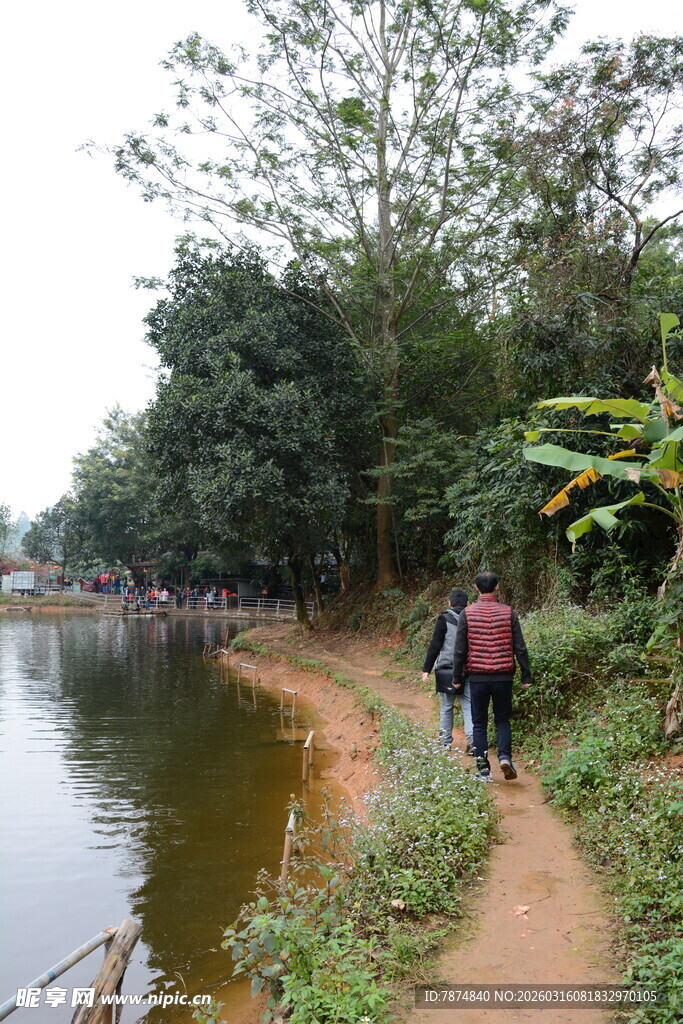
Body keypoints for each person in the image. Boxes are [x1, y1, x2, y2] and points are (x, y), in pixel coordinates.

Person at [451, 570, 532, 781]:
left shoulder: (466, 614)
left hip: (477, 678)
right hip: (503, 676)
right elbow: (520, 647)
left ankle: (483, 769)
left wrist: (457, 678)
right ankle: (505, 757)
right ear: (496, 587)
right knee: (503, 720)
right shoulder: (508, 613)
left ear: (476, 589)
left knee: (479, 723)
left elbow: (460, 650)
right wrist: (526, 676)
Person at [422, 589, 472, 752]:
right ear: (467, 603)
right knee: (469, 706)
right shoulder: (472, 617)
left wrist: (426, 669)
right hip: (468, 668)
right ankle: (473, 742)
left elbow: (435, 645)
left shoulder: (444, 618)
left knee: (446, 706)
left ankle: (444, 742)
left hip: (446, 669)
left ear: (449, 603)